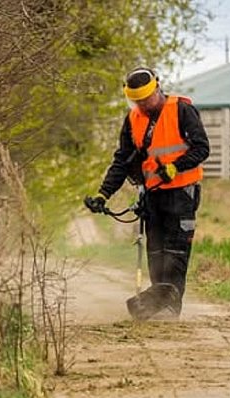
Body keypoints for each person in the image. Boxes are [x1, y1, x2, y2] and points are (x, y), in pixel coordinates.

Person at [84, 67, 210, 318]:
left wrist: (175, 167)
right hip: (152, 195)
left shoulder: (182, 110)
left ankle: (171, 308)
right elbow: (122, 160)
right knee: (156, 252)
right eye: (137, 101)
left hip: (182, 193)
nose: (143, 104)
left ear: (158, 88)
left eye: (146, 99)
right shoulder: (133, 120)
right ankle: (155, 306)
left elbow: (202, 148)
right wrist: (103, 194)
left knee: (175, 252)